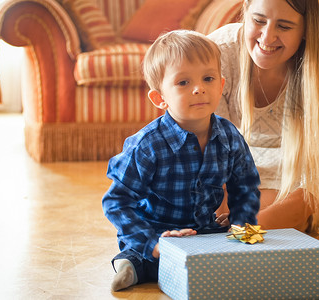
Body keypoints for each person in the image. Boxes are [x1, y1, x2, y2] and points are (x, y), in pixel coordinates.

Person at [102, 30, 261, 292]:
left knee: (236, 253)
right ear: (159, 98)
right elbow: (116, 202)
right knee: (144, 258)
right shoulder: (148, 145)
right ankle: (131, 266)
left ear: (221, 86)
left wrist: (240, 226)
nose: (199, 88)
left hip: (202, 232)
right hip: (157, 232)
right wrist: (153, 242)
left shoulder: (229, 136)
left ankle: (209, 261)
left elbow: (245, 186)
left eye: (207, 79)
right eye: (183, 83)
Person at [209, 0, 319, 231]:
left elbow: (315, 186)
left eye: (284, 26)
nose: (267, 37)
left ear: (305, 31)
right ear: (246, 12)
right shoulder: (218, 53)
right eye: (259, 20)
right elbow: (207, 163)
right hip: (229, 182)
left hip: (286, 186)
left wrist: (250, 227)